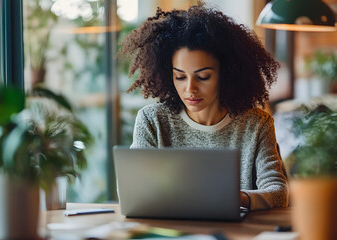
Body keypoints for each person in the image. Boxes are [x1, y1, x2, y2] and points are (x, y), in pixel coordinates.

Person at [118, 4, 289, 210]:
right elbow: (134, 190)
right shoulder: (152, 120)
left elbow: (279, 193)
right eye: (180, 77)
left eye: (203, 77)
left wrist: (238, 197)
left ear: (226, 74)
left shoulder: (257, 124)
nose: (190, 88)